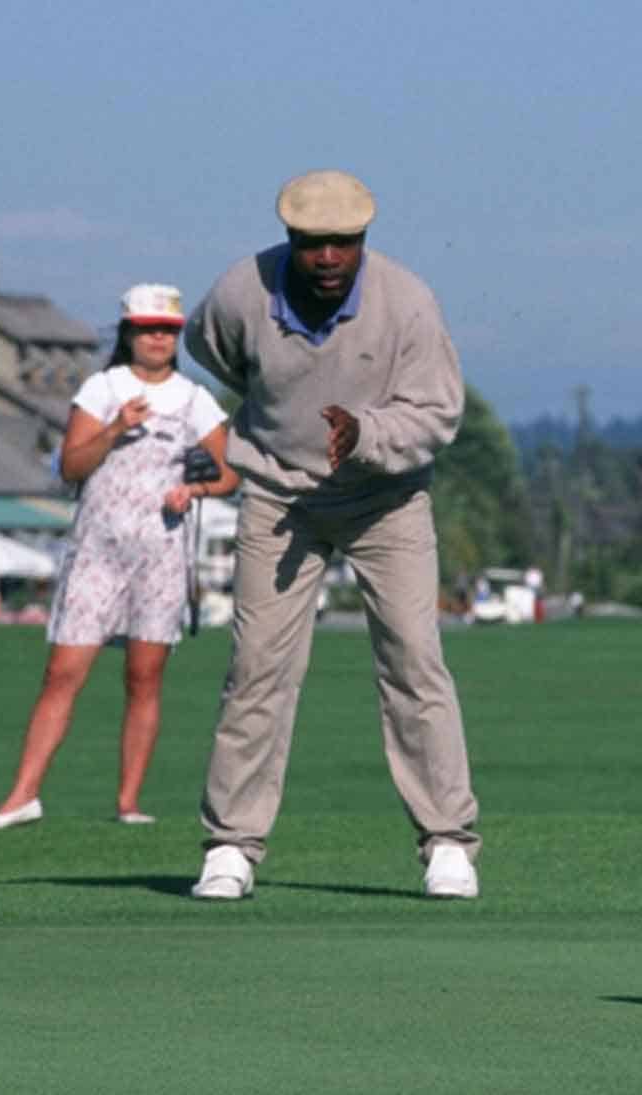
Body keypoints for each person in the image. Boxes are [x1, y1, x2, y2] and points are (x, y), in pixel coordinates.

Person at [181, 170, 482, 901]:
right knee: (257, 668)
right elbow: (211, 348)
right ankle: (231, 844)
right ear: (291, 239)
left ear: (363, 242)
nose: (326, 259)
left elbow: (439, 413)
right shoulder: (241, 292)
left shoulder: (408, 303)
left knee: (414, 660)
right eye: (312, 244)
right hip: (281, 494)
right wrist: (281, 430)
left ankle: (447, 840)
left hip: (386, 499)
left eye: (341, 245)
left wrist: (367, 432)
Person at [0, 284, 237, 832]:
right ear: (128, 333)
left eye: (166, 329)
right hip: (97, 548)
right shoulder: (102, 388)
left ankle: (129, 801)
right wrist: (116, 429)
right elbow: (70, 466)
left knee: (145, 678)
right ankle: (22, 795)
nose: (158, 338)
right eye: (147, 328)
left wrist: (198, 491)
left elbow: (230, 470)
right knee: (63, 670)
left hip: (161, 552)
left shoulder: (194, 399)